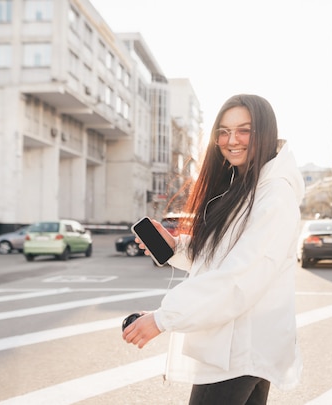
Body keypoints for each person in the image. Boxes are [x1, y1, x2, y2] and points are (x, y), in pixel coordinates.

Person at [122, 94, 304, 404]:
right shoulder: (246, 184)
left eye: (244, 130)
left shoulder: (274, 196)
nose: (231, 140)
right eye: (223, 130)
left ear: (266, 132)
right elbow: (224, 254)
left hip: (240, 348)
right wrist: (175, 246)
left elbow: (238, 277)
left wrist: (163, 318)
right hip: (242, 345)